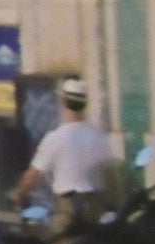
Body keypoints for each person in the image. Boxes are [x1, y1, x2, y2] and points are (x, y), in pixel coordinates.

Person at [14, 79, 117, 232]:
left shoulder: (55, 138)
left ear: (63, 103)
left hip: (67, 210)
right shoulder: (99, 137)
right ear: (85, 104)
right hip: (95, 209)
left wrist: (19, 195)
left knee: (57, 242)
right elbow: (110, 173)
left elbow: (32, 176)